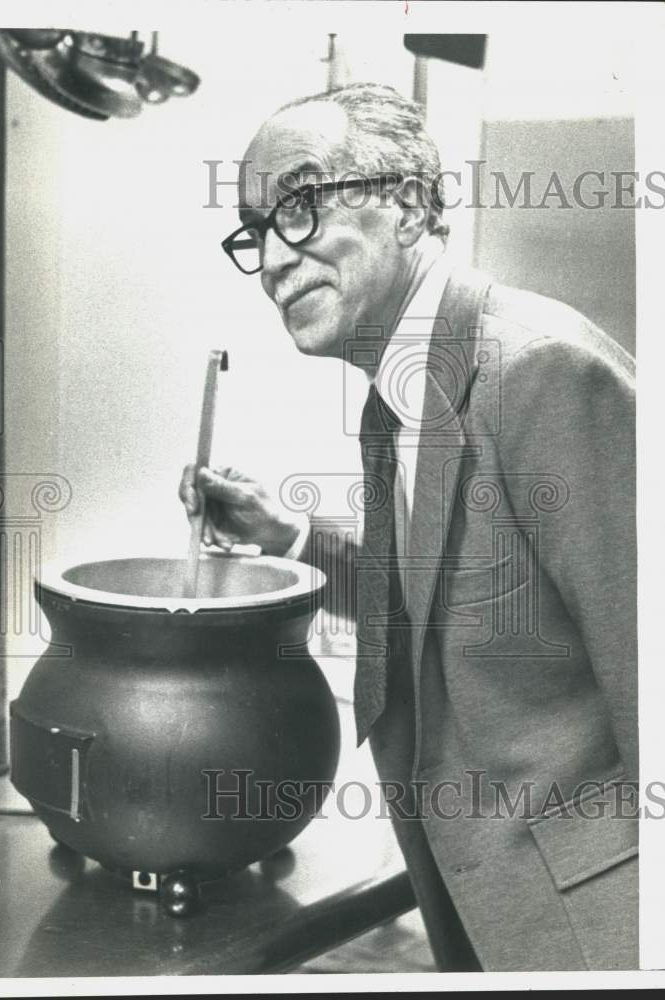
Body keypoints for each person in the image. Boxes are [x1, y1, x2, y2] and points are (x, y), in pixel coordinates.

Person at [178, 83, 637, 972]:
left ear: (408, 202)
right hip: (480, 900)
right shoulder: (401, 399)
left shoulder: (538, 370)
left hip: (601, 919)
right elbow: (445, 612)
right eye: (254, 230)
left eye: (300, 206)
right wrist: (289, 539)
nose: (273, 257)